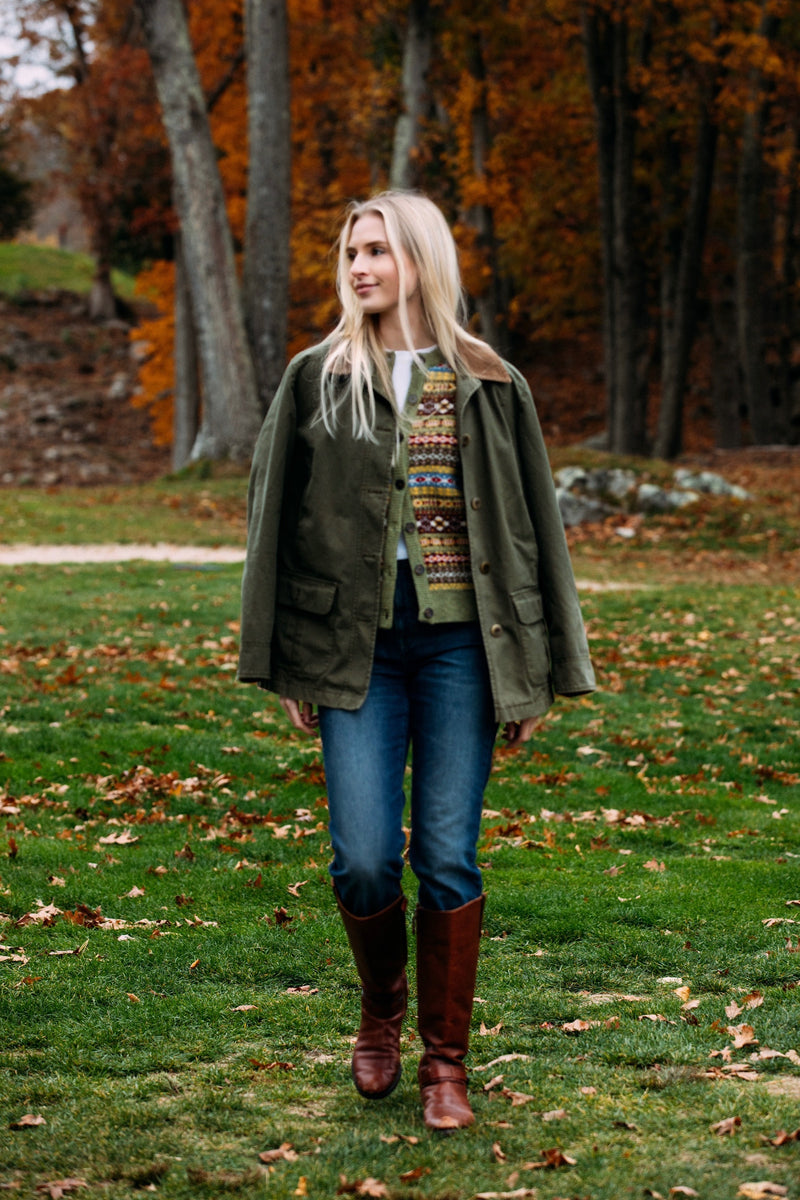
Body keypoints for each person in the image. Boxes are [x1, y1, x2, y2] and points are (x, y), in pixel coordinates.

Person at [238, 190, 595, 1131]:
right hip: (352, 645)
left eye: (377, 251)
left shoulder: (489, 381)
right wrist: (284, 662)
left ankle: (445, 1062)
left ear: (420, 260)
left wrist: (543, 670)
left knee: (447, 856)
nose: (358, 267)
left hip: (462, 650)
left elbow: (535, 534)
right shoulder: (318, 377)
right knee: (362, 860)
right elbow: (271, 523)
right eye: (350, 252)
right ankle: (381, 1006)